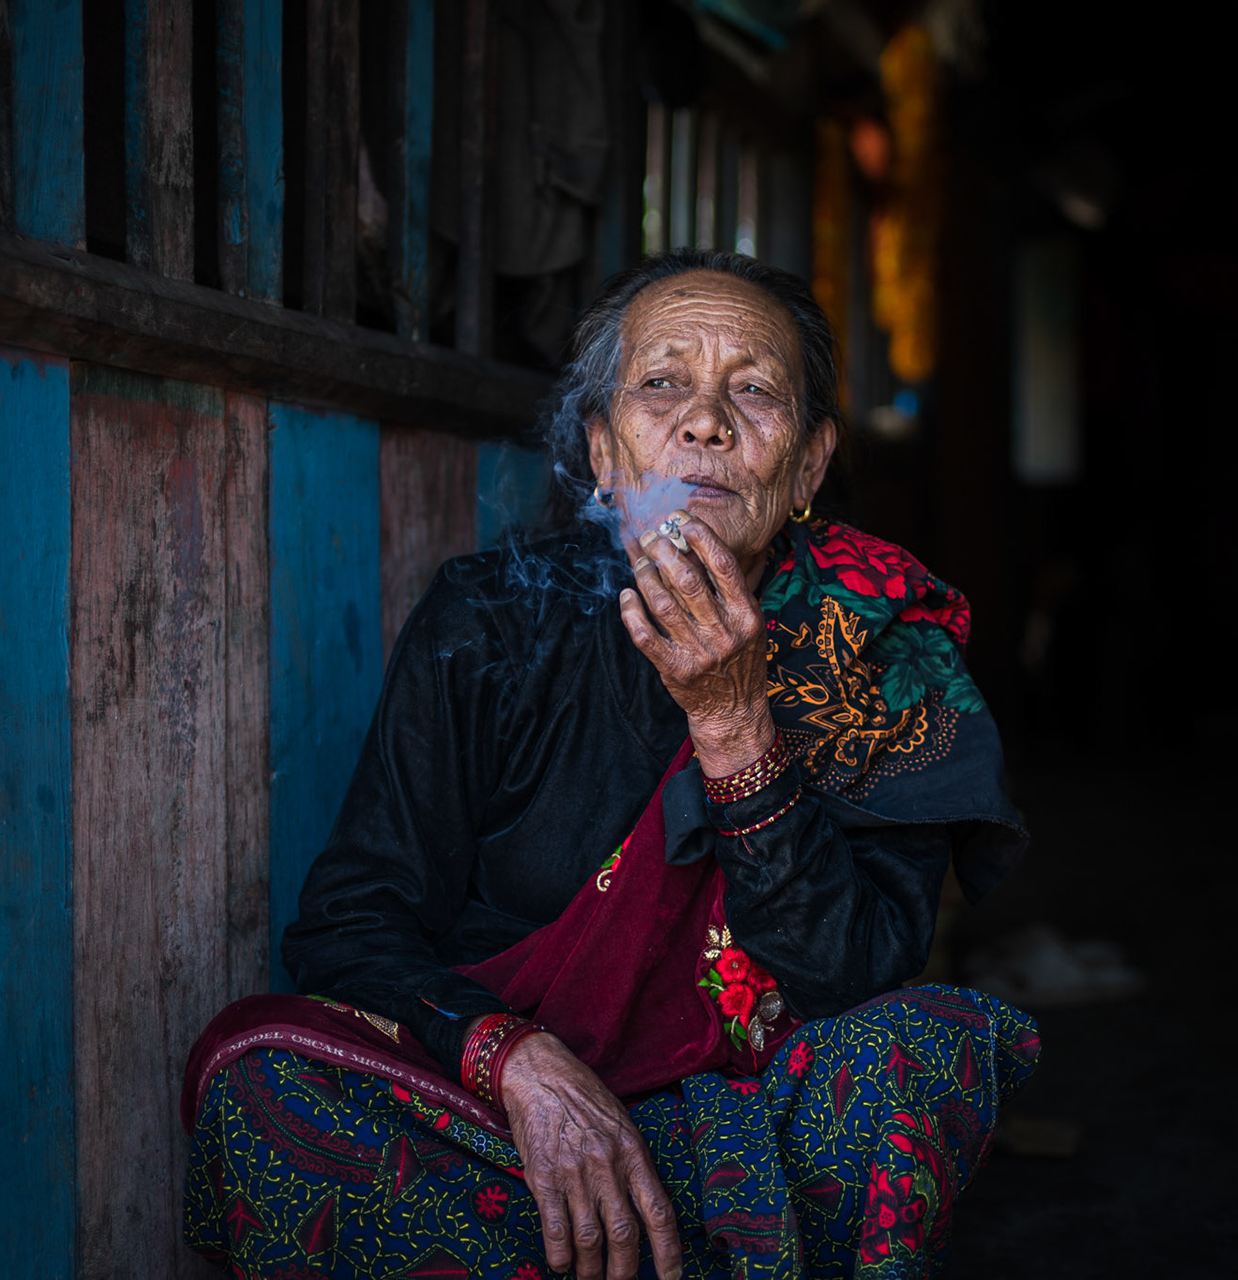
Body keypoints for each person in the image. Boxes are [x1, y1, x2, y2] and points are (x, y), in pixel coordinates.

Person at [181, 250, 1038, 1280]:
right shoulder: (493, 619)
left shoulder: (880, 657)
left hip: (747, 1138)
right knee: (256, 1070)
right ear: (601, 448)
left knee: (914, 1056)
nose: (706, 422)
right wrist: (518, 1061)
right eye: (663, 383)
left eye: (753, 391)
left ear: (809, 466)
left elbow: (856, 973)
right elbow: (351, 921)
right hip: (506, 1127)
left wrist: (733, 729)